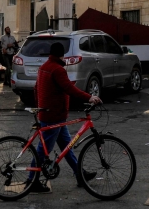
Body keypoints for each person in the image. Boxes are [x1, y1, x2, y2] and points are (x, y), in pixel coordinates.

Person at [28, 41, 103, 193]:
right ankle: (31, 181)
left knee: (67, 147)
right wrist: (89, 97)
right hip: (53, 115)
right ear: (62, 55)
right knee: (43, 150)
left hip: (49, 113)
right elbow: (69, 88)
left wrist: (39, 106)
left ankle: (79, 175)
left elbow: (36, 88)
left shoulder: (44, 67)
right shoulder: (57, 69)